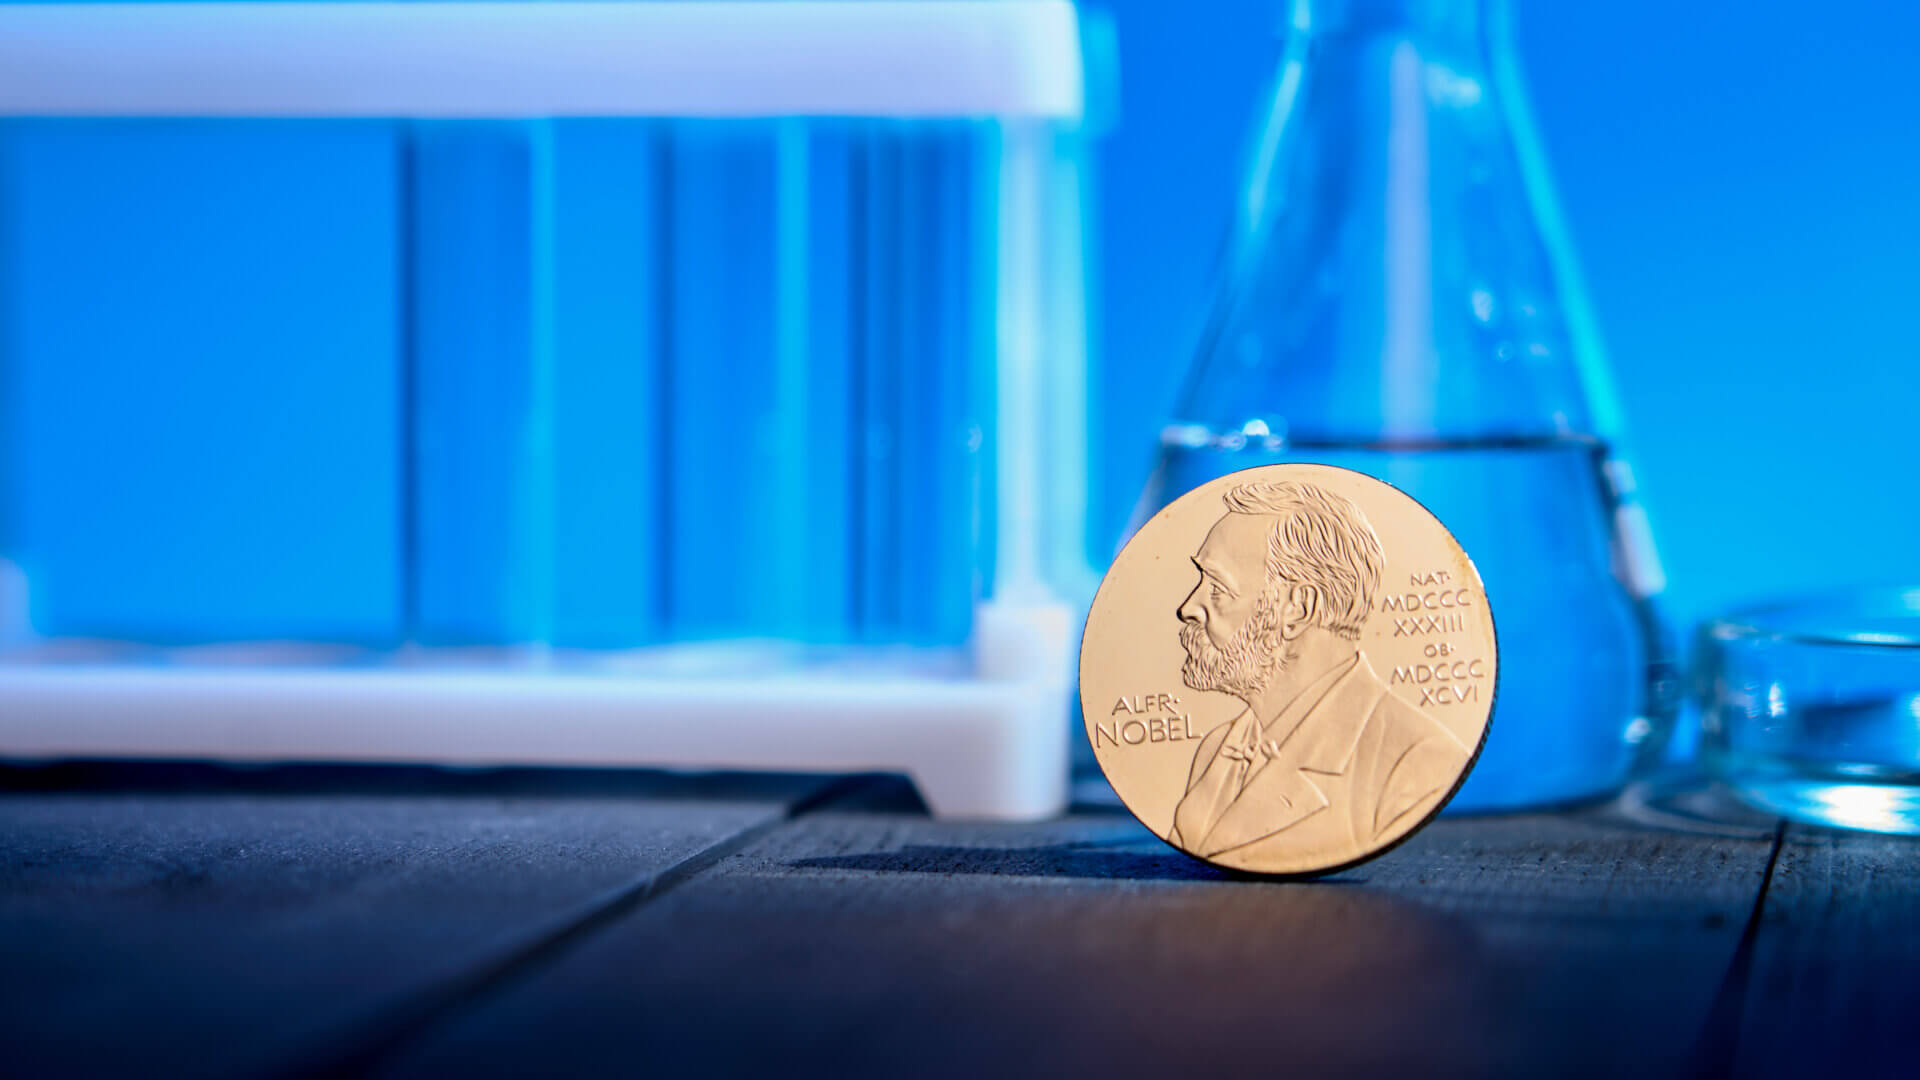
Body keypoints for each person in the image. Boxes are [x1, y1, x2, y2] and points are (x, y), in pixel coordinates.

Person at [1168, 480, 1469, 861]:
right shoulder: (1216, 750)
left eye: (1217, 588)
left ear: (1298, 608)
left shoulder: (1417, 766)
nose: (1188, 607)